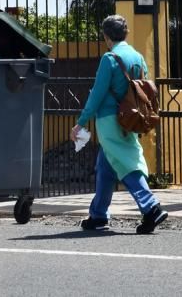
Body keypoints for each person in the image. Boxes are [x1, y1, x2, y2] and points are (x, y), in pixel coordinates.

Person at [70, 14, 168, 234]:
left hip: (109, 120)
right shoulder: (138, 56)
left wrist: (81, 123)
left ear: (106, 36)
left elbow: (97, 93)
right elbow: (145, 88)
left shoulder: (109, 58)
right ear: (126, 34)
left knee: (126, 162)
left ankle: (151, 207)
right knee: (105, 166)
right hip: (130, 118)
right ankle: (98, 215)